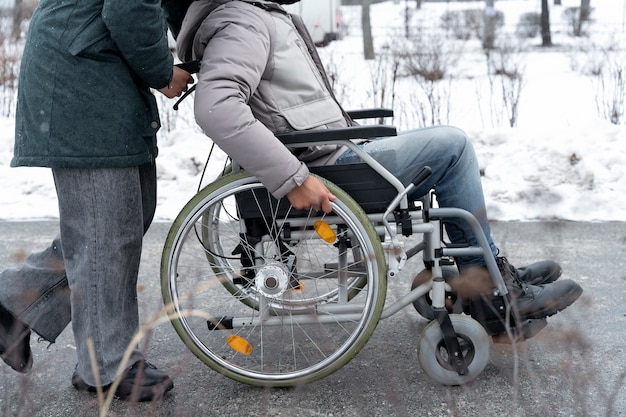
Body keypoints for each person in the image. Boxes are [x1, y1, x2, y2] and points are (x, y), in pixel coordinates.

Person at [173, 0, 583, 335]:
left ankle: (487, 270)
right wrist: (293, 178)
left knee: (443, 149)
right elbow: (217, 108)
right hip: (325, 167)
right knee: (452, 147)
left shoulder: (252, 16)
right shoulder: (241, 22)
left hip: (329, 153)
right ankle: (492, 292)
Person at [0, 0, 194, 402]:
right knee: (105, 232)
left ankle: (12, 304)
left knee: (119, 220)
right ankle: (107, 364)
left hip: (97, 72)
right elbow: (129, 9)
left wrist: (198, 40)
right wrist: (161, 71)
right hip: (82, 76)